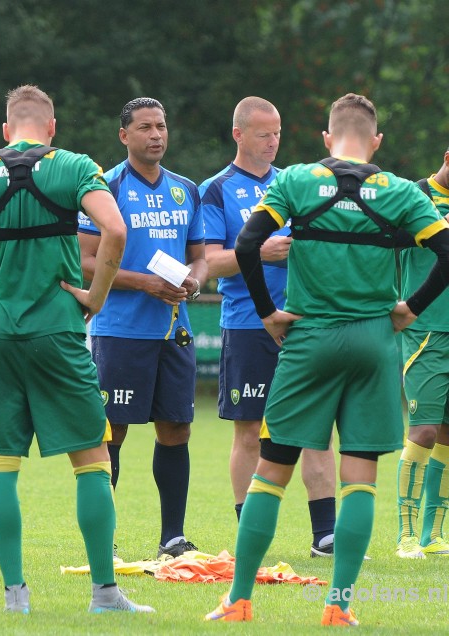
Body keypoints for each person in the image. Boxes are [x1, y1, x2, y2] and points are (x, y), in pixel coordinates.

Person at [205, 93, 449, 626]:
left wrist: (270, 313)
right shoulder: (402, 193)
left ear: (325, 138)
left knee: (272, 471)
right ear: (377, 141)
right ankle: (339, 606)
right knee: (359, 474)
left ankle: (239, 599)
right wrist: (409, 308)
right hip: (374, 343)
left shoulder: (293, 180)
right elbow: (447, 253)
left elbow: (247, 246)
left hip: (308, 341)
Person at [0, 84, 153, 613]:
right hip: (58, 330)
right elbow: (114, 229)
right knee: (92, 459)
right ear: (51, 128)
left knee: (1, 465)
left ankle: (15, 597)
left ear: (5, 130)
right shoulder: (72, 166)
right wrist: (95, 295)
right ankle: (105, 594)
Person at [199, 96, 338, 557]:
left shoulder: (296, 183)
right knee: (249, 430)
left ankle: (326, 534)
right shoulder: (217, 189)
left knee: (316, 427)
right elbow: (209, 261)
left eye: (277, 132)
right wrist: (261, 251)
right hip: (247, 324)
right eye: (264, 133)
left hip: (303, 322)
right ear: (238, 134)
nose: (273, 141)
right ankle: (249, 532)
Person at [77, 97, 207, 560]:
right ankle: (103, 537)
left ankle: (172, 537)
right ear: (124, 135)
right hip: (120, 331)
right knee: (112, 432)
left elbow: (200, 256)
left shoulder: (185, 189)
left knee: (176, 429)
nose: (156, 135)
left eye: (162, 126)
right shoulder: (105, 187)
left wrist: (194, 282)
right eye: (146, 127)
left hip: (174, 330)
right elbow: (85, 259)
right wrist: (144, 283)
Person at [396, 152, 449, 559]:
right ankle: (407, 535)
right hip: (426, 331)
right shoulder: (413, 197)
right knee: (425, 431)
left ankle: (434, 536)